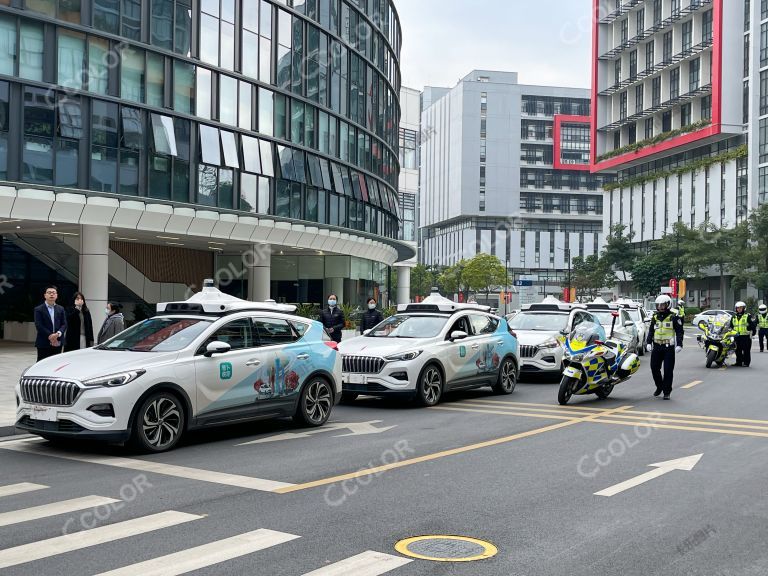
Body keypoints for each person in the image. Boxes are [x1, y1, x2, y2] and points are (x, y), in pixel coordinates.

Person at [646, 294, 684, 400]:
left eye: (662, 305)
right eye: (658, 305)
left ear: (668, 305)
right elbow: (651, 331)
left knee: (668, 370)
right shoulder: (655, 317)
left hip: (669, 348)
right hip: (657, 346)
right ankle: (659, 387)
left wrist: (679, 344)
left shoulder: (673, 317)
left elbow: (679, 332)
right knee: (654, 368)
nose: (660, 307)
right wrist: (649, 342)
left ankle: (667, 392)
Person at [33, 285, 68, 362]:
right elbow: (39, 325)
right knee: (42, 363)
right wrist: (50, 336)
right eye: (49, 293)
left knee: (56, 363)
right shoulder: (38, 309)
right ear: (45, 295)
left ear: (57, 295)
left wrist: (57, 334)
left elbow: (64, 323)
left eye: (53, 293)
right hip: (43, 342)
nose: (51, 294)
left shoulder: (61, 308)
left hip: (58, 341)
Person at [731, 301, 756, 367]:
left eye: (741, 308)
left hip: (745, 336)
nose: (739, 309)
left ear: (744, 308)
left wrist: (753, 331)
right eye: (738, 308)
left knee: (746, 350)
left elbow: (752, 325)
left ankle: (746, 363)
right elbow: (731, 326)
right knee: (737, 350)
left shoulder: (747, 316)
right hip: (736, 336)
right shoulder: (733, 317)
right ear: (736, 309)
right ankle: (738, 362)